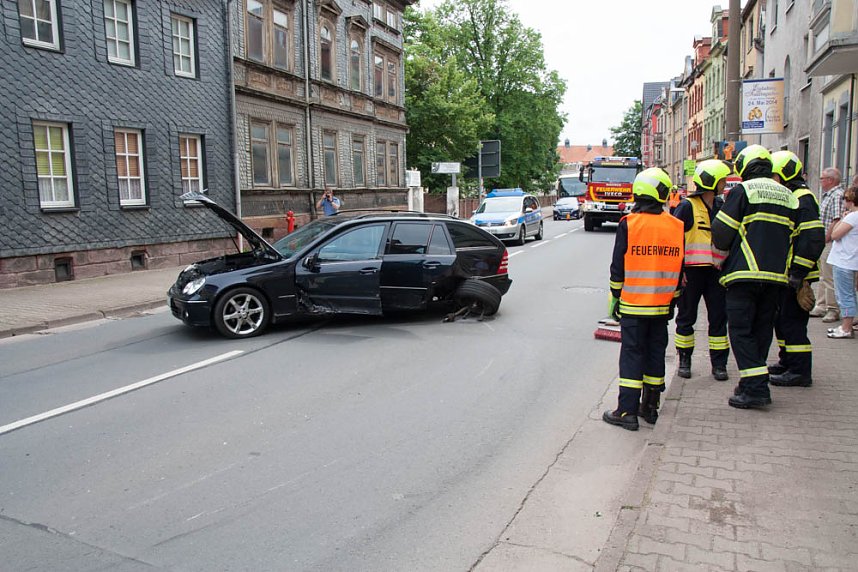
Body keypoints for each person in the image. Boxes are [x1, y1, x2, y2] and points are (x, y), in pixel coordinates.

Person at [711, 145, 804, 409]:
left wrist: (723, 251)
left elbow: (721, 230)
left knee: (741, 330)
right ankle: (751, 382)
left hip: (744, 274)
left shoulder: (744, 191)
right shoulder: (788, 195)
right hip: (776, 277)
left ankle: (755, 388)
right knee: (762, 329)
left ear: (744, 167)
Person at [603, 168, 684, 431]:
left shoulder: (629, 223)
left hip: (634, 305)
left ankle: (626, 411)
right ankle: (650, 407)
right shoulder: (676, 226)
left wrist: (615, 297)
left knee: (632, 355)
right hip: (662, 307)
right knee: (655, 354)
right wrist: (674, 300)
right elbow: (679, 268)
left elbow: (618, 267)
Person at [767, 151, 826, 387]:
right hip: (789, 272)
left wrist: (798, 273)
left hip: (798, 274)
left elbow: (813, 239)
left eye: (773, 175)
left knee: (793, 322)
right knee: (782, 320)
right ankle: (788, 361)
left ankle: (800, 371)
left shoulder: (803, 198)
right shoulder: (793, 196)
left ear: (783, 174)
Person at [672, 159, 731, 382]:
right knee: (686, 317)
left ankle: (719, 364)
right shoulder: (687, 207)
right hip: (691, 272)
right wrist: (679, 272)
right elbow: (674, 241)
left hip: (716, 272)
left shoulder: (721, 206)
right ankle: (684, 360)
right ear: (711, 182)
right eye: (722, 180)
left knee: (719, 318)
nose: (724, 184)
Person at [810, 168, 845, 322]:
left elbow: (836, 220)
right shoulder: (829, 195)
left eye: (822, 178)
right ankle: (821, 305)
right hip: (825, 241)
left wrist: (826, 238)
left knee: (829, 276)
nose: (821, 181)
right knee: (823, 274)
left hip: (830, 242)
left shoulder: (837, 195)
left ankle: (832, 308)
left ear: (831, 180)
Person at [825, 185, 858, 339]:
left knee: (844, 295)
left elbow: (835, 235)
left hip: (844, 260)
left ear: (851, 200)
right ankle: (847, 326)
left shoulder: (852, 217)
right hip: (851, 260)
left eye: (845, 199)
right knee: (849, 294)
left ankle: (846, 328)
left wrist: (843, 218)